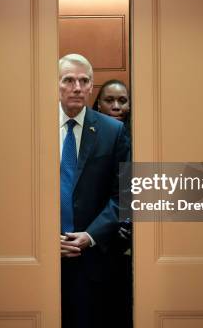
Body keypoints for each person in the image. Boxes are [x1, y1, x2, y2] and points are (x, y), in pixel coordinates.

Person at [59, 54, 130, 328]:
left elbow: (124, 193)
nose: (77, 87)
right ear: (56, 85)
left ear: (91, 88)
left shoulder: (113, 131)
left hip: (94, 259)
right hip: (41, 258)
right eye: (68, 80)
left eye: (84, 81)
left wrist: (91, 235)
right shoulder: (33, 127)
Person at [93, 79, 133, 328]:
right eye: (109, 100)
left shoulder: (144, 136)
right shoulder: (93, 138)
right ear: (98, 105)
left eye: (122, 100)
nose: (116, 106)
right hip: (101, 234)